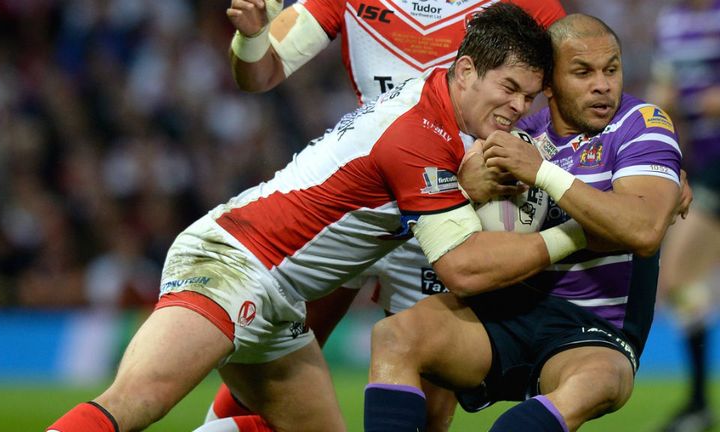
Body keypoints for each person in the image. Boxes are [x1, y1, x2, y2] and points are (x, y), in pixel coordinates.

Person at [45, 4, 558, 431]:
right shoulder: (419, 137)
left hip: (279, 297)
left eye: (528, 97)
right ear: (466, 70)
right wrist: (573, 233)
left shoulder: (433, 107)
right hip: (232, 263)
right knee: (138, 400)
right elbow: (463, 268)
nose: (519, 106)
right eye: (509, 88)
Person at [211, 0, 567, 431]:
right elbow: (259, 73)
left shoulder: (527, 6)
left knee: (429, 416)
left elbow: (583, 74)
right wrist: (251, 37)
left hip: (445, 215)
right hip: (359, 206)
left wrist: (647, 153)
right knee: (265, 371)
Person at [364, 13, 686, 432]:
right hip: (505, 316)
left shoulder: (641, 125)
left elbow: (643, 231)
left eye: (611, 69)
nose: (603, 84)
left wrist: (542, 174)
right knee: (396, 336)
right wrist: (468, 183)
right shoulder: (517, 130)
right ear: (548, 84)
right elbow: (445, 183)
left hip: (593, 331)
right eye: (583, 72)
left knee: (597, 382)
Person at [646, 1, 720, 431]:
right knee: (678, 280)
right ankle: (697, 401)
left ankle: (697, 404)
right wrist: (664, 102)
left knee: (680, 276)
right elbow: (665, 84)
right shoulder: (671, 21)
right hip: (704, 165)